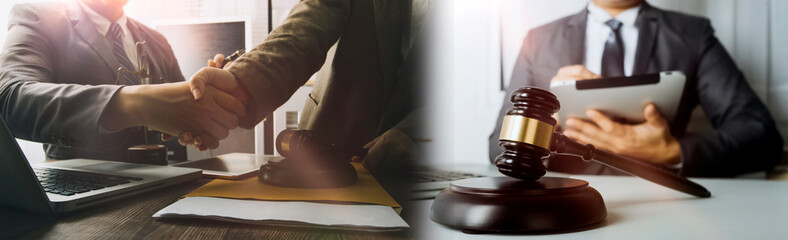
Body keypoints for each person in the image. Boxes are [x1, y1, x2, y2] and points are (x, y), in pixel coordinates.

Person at [489, 0, 783, 177]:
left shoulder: (692, 35)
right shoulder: (538, 40)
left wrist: (672, 151)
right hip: (562, 202)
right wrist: (550, 118)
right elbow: (497, 146)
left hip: (663, 199)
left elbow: (762, 137)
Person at [182, 0, 428, 175]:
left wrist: (415, 131)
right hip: (325, 147)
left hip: (427, 173)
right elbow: (305, 27)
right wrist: (239, 82)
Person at [0, 0, 245, 161]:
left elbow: (185, 112)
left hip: (165, 186)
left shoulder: (156, 40)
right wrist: (134, 104)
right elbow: (10, 98)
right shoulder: (39, 18)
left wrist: (207, 91)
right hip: (84, 194)